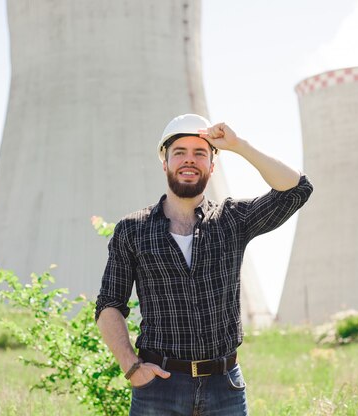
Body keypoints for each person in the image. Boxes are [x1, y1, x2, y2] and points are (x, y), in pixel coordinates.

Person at [95, 114, 313, 415]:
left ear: (212, 165)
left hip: (225, 388)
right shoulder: (132, 229)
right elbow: (109, 304)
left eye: (200, 153)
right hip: (159, 388)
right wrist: (132, 367)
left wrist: (239, 145)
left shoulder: (232, 219)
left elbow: (297, 189)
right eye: (179, 153)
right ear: (165, 162)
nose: (189, 160)